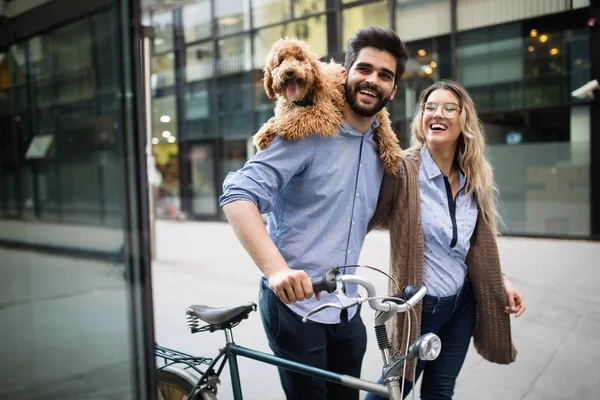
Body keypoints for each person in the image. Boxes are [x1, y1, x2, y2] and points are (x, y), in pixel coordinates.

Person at [219, 27, 409, 400]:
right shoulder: (304, 132)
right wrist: (276, 270)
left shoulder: (382, 150)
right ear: (344, 72)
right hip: (296, 308)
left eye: (385, 75)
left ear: (393, 90)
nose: (372, 80)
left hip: (347, 308)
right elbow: (237, 194)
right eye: (365, 69)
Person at [365, 79, 526, 400]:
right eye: (430, 107)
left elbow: (475, 245)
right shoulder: (402, 170)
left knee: (440, 392)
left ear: (464, 118)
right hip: (419, 306)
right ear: (421, 118)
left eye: (449, 107)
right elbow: (366, 215)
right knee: (392, 390)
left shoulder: (474, 174)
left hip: (462, 304)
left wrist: (502, 279)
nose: (438, 113)